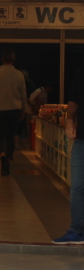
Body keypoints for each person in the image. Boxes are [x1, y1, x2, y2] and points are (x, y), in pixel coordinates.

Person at [0, 49, 28, 176]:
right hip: (15, 109)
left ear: (2, 59)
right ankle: (8, 157)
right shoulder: (19, 75)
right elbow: (23, 94)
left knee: (0, 134)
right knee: (11, 135)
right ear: (14, 59)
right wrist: (24, 109)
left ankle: (2, 155)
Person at [53, 86, 84, 244]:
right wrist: (70, 120)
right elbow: (74, 100)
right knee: (77, 187)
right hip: (81, 140)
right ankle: (76, 230)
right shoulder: (80, 72)